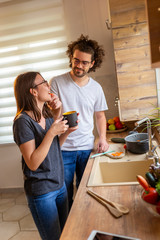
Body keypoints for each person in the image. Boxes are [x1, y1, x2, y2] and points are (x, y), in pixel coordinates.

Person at [13, 71, 78, 240]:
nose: (49, 86)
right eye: (44, 83)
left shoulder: (46, 114)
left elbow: (54, 147)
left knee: (66, 233)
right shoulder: (22, 122)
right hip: (42, 193)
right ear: (33, 91)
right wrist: (51, 133)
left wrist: (67, 131)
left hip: (59, 185)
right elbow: (33, 163)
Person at [50, 34, 109, 209]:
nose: (79, 66)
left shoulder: (96, 88)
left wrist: (102, 139)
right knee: (64, 194)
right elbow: (52, 115)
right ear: (71, 57)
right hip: (63, 148)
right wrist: (55, 108)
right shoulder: (57, 82)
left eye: (84, 62)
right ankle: (68, 229)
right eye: (76, 60)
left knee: (88, 192)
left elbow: (100, 116)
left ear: (92, 63)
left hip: (87, 148)